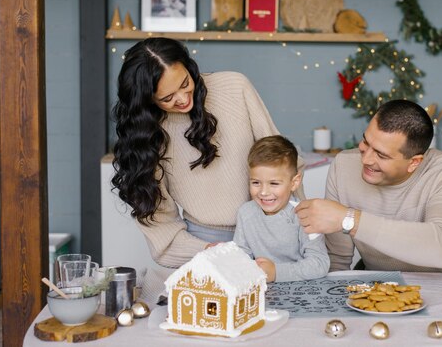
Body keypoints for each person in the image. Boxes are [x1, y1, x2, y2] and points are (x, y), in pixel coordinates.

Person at [111, 37, 303, 267]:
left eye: (184, 83)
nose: (182, 99)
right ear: (146, 100)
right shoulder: (146, 137)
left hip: (271, 232)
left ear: (189, 67)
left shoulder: (235, 87)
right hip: (207, 246)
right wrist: (208, 251)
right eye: (167, 97)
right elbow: (161, 229)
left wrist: (302, 221)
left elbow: (284, 161)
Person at [295, 100, 442, 273]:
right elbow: (337, 261)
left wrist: (349, 219)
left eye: (381, 155)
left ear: (414, 162)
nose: (365, 160)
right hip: (380, 290)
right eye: (366, 142)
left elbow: (441, 250)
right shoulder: (343, 165)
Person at [233, 136, 330, 282]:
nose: (263, 192)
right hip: (261, 291)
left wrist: (276, 272)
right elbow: (240, 257)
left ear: (294, 182)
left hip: (301, 292)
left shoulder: (306, 215)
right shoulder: (245, 213)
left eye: (274, 183)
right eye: (256, 182)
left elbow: (319, 264)